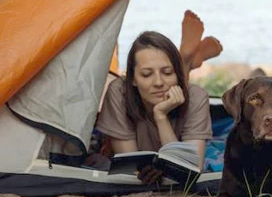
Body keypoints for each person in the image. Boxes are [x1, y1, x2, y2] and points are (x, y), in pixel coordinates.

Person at [95, 10, 222, 185]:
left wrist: (161, 116)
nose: (158, 82)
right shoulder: (119, 92)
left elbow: (190, 169)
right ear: (132, 78)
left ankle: (185, 61)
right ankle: (186, 61)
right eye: (147, 74)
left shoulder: (196, 97)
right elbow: (131, 166)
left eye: (168, 72)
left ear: (177, 75)